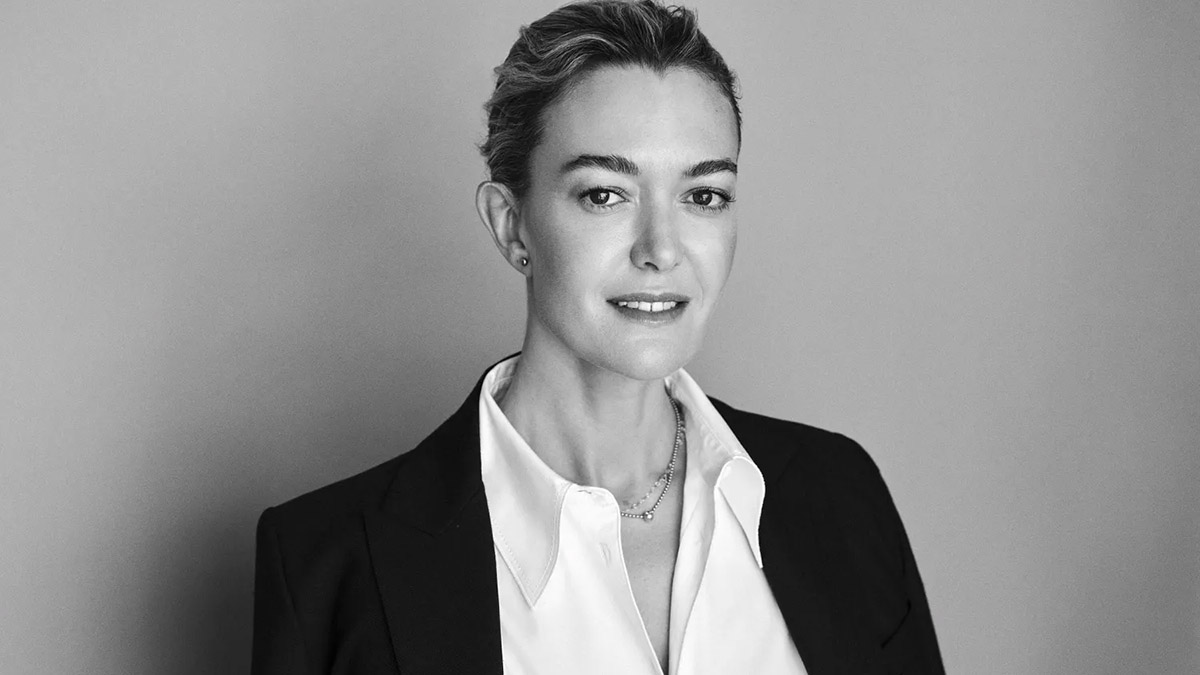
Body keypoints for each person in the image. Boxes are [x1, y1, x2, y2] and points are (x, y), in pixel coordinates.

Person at [250, 1, 945, 673]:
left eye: (703, 196)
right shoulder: (327, 565)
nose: (661, 249)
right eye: (604, 194)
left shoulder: (841, 495)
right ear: (511, 225)